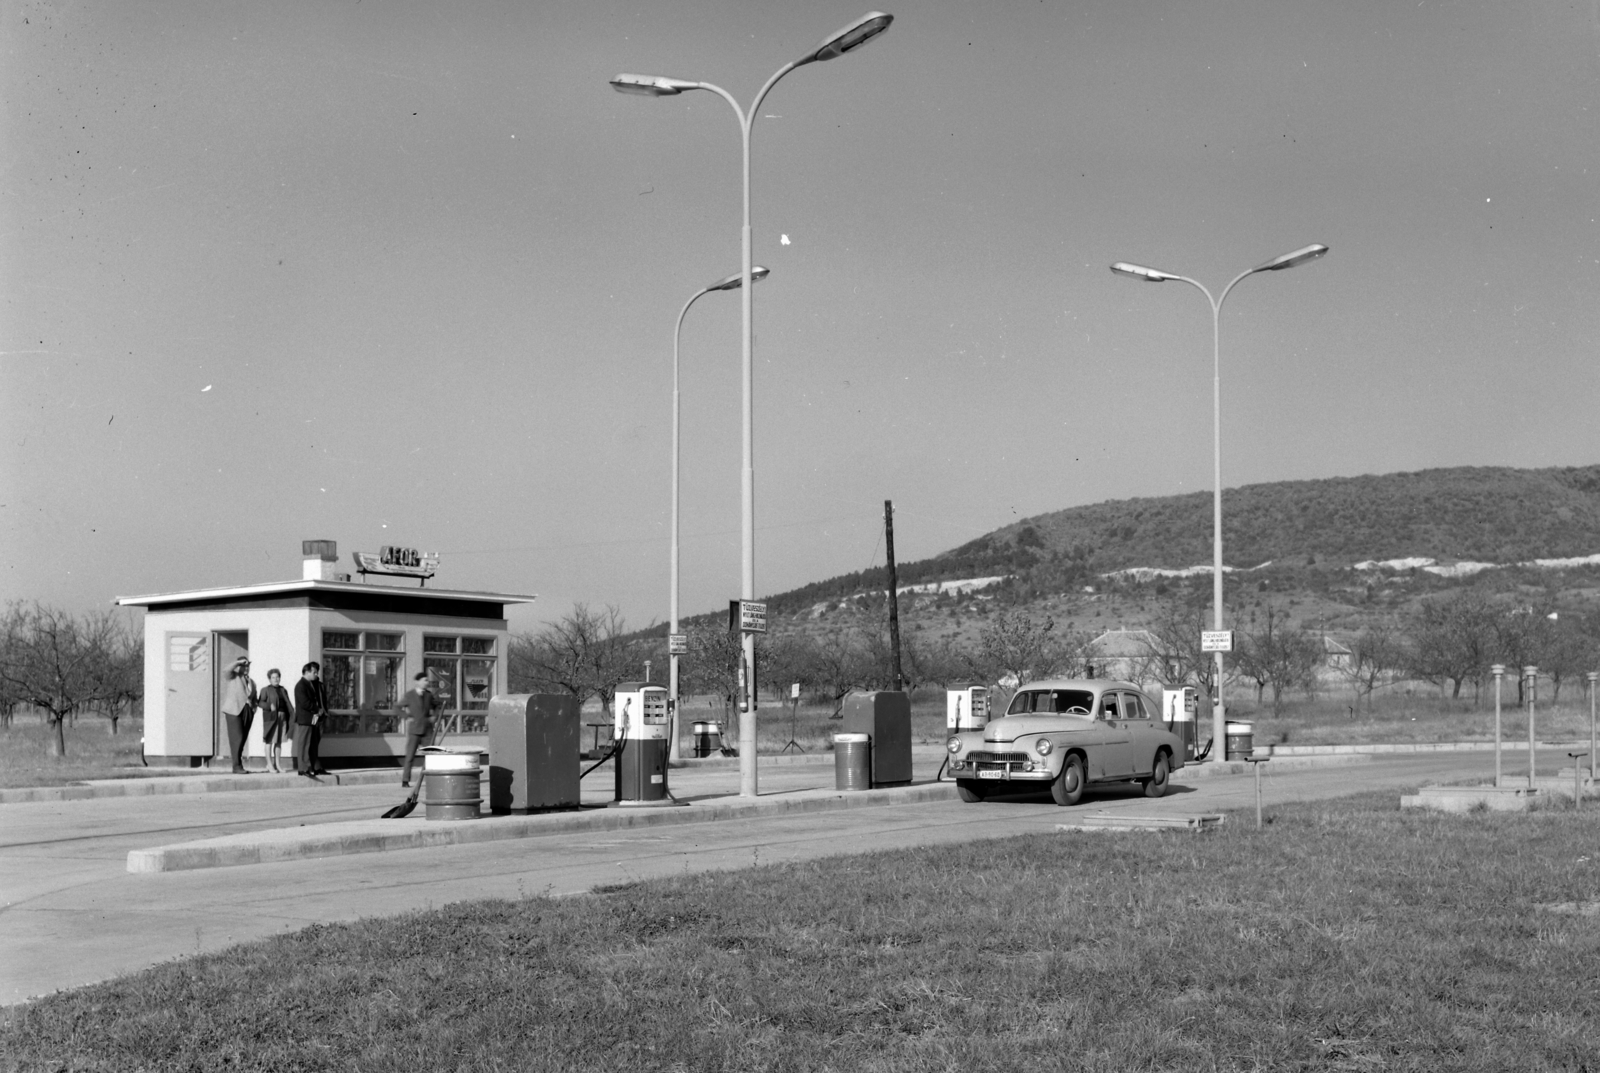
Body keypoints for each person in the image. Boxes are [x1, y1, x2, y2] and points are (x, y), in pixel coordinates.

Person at [396, 671, 440, 787]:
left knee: (432, 755)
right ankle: (405, 780)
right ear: (418, 682)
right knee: (410, 756)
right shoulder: (409, 695)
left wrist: (434, 716)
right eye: (425, 680)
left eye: (427, 680)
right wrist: (406, 717)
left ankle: (433, 779)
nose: (427, 682)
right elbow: (397, 707)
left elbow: (436, 705)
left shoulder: (429, 695)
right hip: (414, 730)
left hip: (427, 731)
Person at [219, 657, 257, 774]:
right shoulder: (233, 676)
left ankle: (238, 765)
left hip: (247, 711)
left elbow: (254, 697)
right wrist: (238, 662)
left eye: (247, 666)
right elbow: (226, 670)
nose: (246, 668)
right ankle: (236, 766)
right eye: (243, 665)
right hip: (234, 710)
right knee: (237, 738)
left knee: (243, 739)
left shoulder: (251, 681)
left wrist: (253, 708)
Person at [293, 662, 329, 777]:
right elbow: (304, 703)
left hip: (312, 718)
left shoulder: (309, 684)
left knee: (311, 743)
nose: (316, 674)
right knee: (303, 743)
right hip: (305, 719)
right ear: (307, 672)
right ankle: (303, 768)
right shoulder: (301, 685)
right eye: (314, 672)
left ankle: (313, 767)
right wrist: (317, 709)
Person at [256, 668, 293, 773]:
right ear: (269, 679)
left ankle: (277, 765)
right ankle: (269, 764)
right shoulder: (265, 690)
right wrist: (269, 706)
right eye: (273, 677)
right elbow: (260, 702)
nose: (276, 679)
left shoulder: (283, 690)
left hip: (283, 716)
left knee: (279, 742)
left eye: (277, 677)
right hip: (271, 718)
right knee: (269, 741)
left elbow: (287, 703)